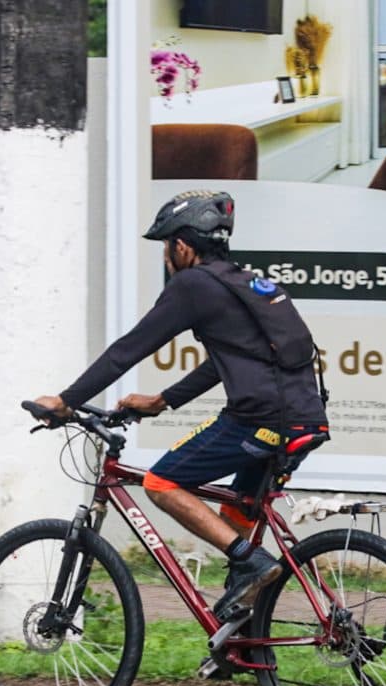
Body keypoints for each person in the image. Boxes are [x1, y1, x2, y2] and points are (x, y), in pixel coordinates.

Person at [29, 190, 329, 623]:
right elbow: (224, 363)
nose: (167, 259)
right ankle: (242, 626)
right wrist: (163, 401)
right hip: (303, 418)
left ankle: (252, 561)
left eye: (166, 248)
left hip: (260, 420)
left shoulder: (194, 285)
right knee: (237, 507)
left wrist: (64, 401)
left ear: (182, 247)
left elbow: (127, 350)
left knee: (161, 482)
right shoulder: (240, 281)